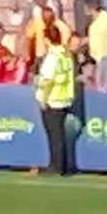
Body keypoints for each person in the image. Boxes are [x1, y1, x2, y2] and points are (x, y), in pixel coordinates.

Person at [35, 26, 78, 175]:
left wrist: (42, 98)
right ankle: (62, 165)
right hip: (64, 98)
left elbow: (47, 80)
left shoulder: (52, 57)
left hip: (53, 99)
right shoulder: (66, 55)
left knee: (54, 136)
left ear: (47, 39)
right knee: (59, 135)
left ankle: (56, 167)